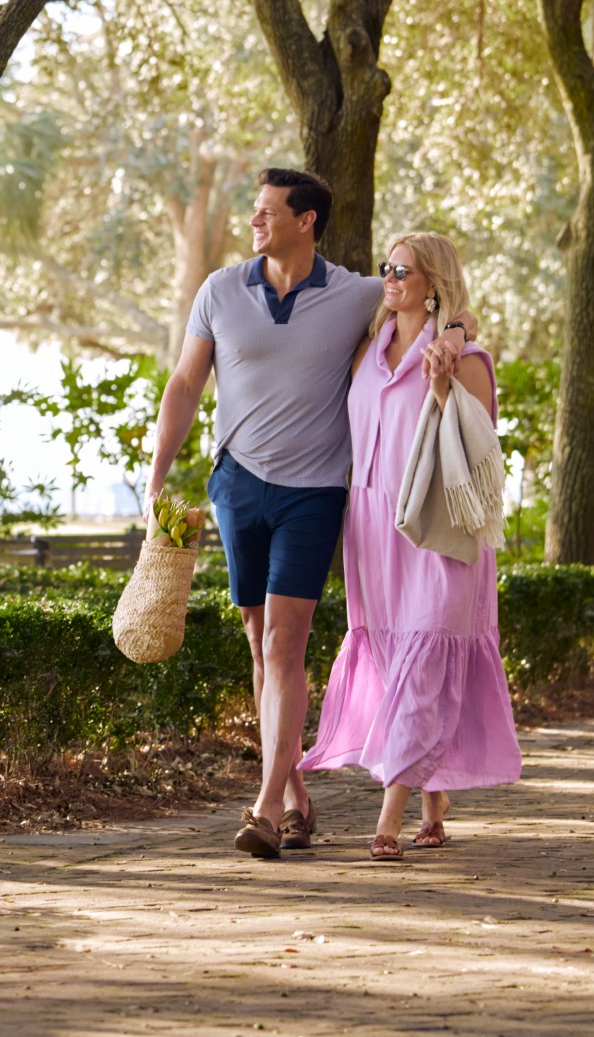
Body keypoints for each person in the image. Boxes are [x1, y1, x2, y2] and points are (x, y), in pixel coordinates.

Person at [144, 169, 471, 860]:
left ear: (307, 220)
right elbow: (184, 382)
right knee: (259, 647)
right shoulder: (219, 290)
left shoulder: (354, 292)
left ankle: (263, 808)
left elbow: (431, 300)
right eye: (255, 210)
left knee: (284, 646)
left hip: (314, 493)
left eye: (267, 211)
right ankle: (292, 794)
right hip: (238, 486)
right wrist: (158, 472)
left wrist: (461, 327)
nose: (255, 221)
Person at [298, 233, 521, 860]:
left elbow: (476, 450)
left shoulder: (466, 358)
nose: (390, 279)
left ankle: (388, 817)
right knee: (395, 657)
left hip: (438, 525)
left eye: (404, 271)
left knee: (425, 658)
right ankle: (432, 801)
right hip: (371, 523)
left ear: (434, 284)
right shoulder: (366, 349)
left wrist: (451, 351)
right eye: (386, 268)